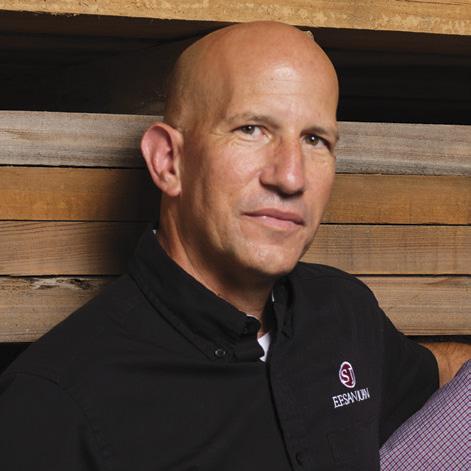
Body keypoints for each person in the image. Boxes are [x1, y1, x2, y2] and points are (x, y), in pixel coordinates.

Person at [0, 21, 468, 470]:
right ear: (168, 161)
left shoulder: (342, 310)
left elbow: (441, 373)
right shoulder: (54, 404)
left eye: (314, 139)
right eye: (251, 129)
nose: (291, 176)